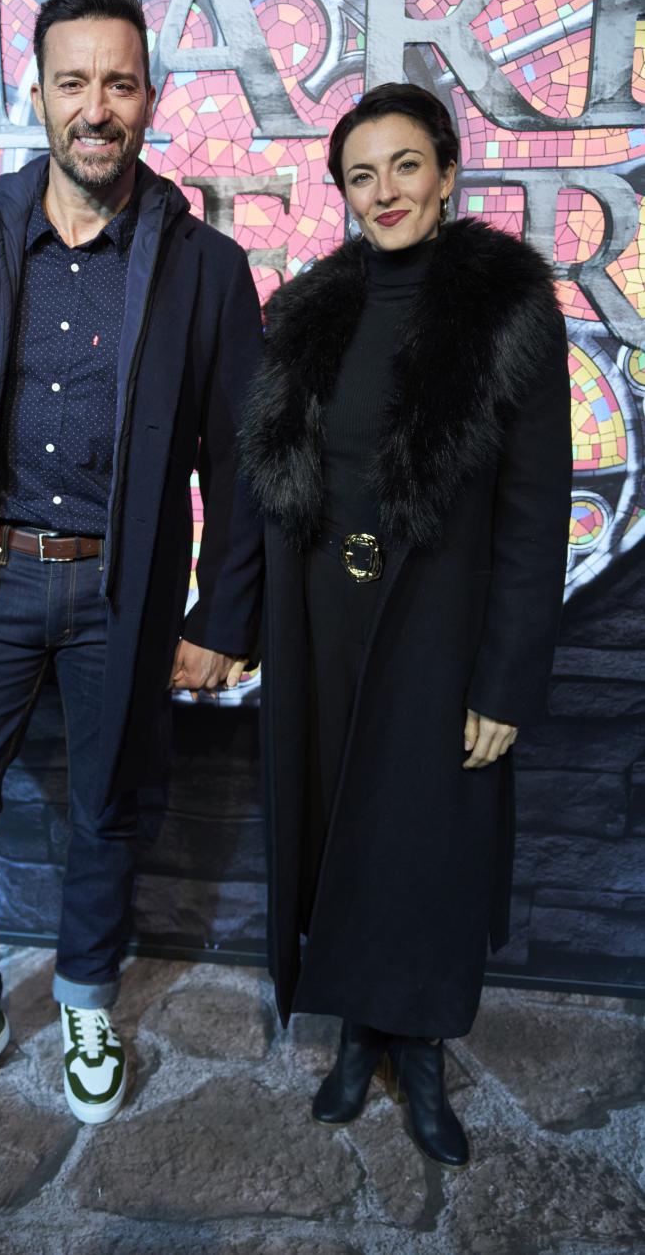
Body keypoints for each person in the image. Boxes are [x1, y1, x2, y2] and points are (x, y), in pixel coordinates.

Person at [0, 0, 262, 1146]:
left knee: (103, 813)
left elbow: (242, 460)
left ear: (150, 97)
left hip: (120, 591)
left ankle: (88, 1005)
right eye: (72, 82)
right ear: (36, 93)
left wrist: (221, 616)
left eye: (119, 83)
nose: (95, 107)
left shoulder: (206, 266)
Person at [239, 82, 571, 1167]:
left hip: (438, 629)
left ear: (446, 172)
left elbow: (533, 511)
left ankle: (417, 1045)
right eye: (360, 175)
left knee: (426, 838)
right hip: (320, 620)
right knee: (335, 823)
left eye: (404, 166)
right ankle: (354, 1031)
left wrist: (506, 680)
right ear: (341, 192)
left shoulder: (508, 309)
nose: (383, 192)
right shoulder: (306, 314)